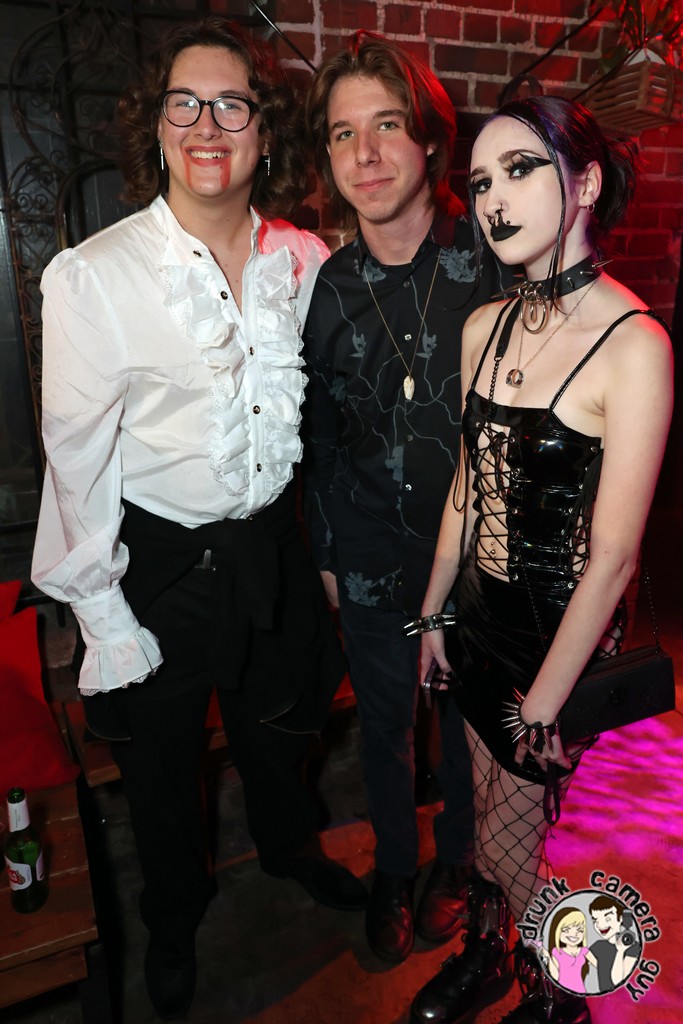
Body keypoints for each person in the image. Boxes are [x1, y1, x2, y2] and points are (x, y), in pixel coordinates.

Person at [31, 17, 367, 1021]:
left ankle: (289, 849)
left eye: (231, 104)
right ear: (157, 124)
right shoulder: (95, 275)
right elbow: (75, 462)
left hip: (271, 549)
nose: (206, 124)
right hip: (159, 568)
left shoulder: (303, 259)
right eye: (185, 102)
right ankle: (173, 920)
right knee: (163, 775)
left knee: (280, 735)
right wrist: (104, 616)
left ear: (263, 132)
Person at [408, 95, 672, 1024]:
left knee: (525, 841)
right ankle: (493, 951)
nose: (493, 198)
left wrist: (545, 701)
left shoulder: (634, 345)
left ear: (585, 183)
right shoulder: (482, 325)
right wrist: (434, 612)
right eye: (481, 180)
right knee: (484, 818)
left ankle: (560, 991)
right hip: (477, 619)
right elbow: (466, 483)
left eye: (520, 170)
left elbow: (614, 556)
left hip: (557, 642)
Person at [303, 31, 505, 964]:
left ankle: (457, 861)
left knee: (466, 724)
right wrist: (328, 554)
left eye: (386, 125)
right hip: (369, 553)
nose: (366, 154)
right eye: (343, 134)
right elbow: (316, 438)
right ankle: (393, 864)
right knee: (384, 725)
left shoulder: (490, 263)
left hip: (474, 557)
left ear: (428, 138)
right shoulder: (330, 286)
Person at [588, 895, 641, 991]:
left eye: (608, 919)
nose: (600, 925)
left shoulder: (633, 947)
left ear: (620, 919)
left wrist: (620, 951)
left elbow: (618, 982)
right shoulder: (598, 946)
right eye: (595, 920)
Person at [541, 907, 597, 994]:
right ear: (557, 931)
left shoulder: (584, 951)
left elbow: (600, 966)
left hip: (580, 991)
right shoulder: (557, 952)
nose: (574, 934)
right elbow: (556, 976)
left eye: (580, 930)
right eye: (566, 930)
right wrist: (548, 957)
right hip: (562, 992)